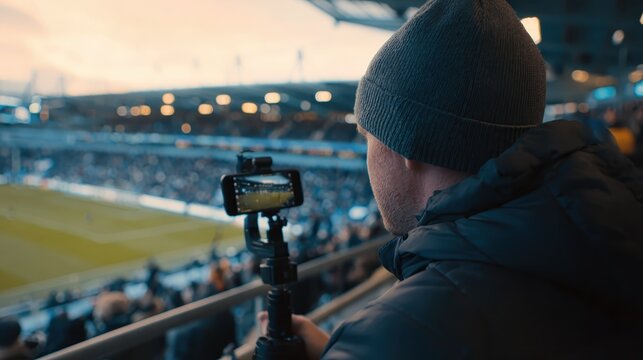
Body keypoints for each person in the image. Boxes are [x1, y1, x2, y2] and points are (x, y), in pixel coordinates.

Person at [258, 0, 643, 358]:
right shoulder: (604, 238)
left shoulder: (400, 334)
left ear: (408, 145)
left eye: (367, 137)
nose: (367, 157)